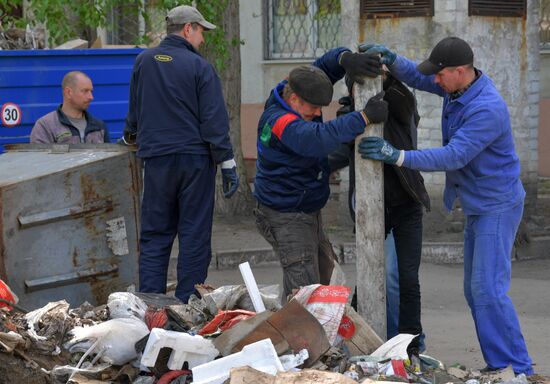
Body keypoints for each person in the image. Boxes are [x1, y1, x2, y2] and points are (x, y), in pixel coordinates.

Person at [358, 37, 533, 374]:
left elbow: (455, 154)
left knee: (487, 290)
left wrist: (398, 156)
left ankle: (517, 368)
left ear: (460, 71)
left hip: (496, 205)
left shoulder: (487, 108)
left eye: (441, 76)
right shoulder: (459, 89)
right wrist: (394, 60)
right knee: (476, 290)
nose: (435, 82)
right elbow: (420, 77)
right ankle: (504, 364)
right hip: (479, 202)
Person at [122, 5, 239, 303]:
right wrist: (226, 161)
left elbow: (134, 111)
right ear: (188, 29)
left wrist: (130, 135)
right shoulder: (200, 67)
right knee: (194, 235)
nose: (203, 39)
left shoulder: (144, 61)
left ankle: (150, 305)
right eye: (201, 31)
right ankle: (188, 305)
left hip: (156, 159)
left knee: (155, 235)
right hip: (194, 161)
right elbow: (214, 120)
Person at [253, 47, 388, 301]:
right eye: (314, 108)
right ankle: (297, 338)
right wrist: (363, 118)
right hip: (286, 214)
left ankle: (308, 333)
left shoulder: (293, 86)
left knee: (324, 277)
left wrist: (345, 59)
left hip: (303, 208)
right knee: (304, 292)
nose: (317, 114)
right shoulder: (281, 122)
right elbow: (317, 139)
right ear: (294, 100)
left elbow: (321, 69)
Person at [329, 72, 430, 356]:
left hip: (407, 204)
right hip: (371, 209)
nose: (365, 87)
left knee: (405, 278)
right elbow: (334, 155)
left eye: (373, 80)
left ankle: (411, 346)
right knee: (373, 274)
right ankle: (362, 339)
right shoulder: (350, 116)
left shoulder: (398, 104)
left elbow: (405, 103)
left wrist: (390, 78)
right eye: (358, 82)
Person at [30, 71, 108, 144]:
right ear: (68, 93)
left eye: (91, 91)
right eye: (85, 91)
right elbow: (39, 158)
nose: (91, 97)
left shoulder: (99, 126)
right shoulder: (45, 126)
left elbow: (109, 157)